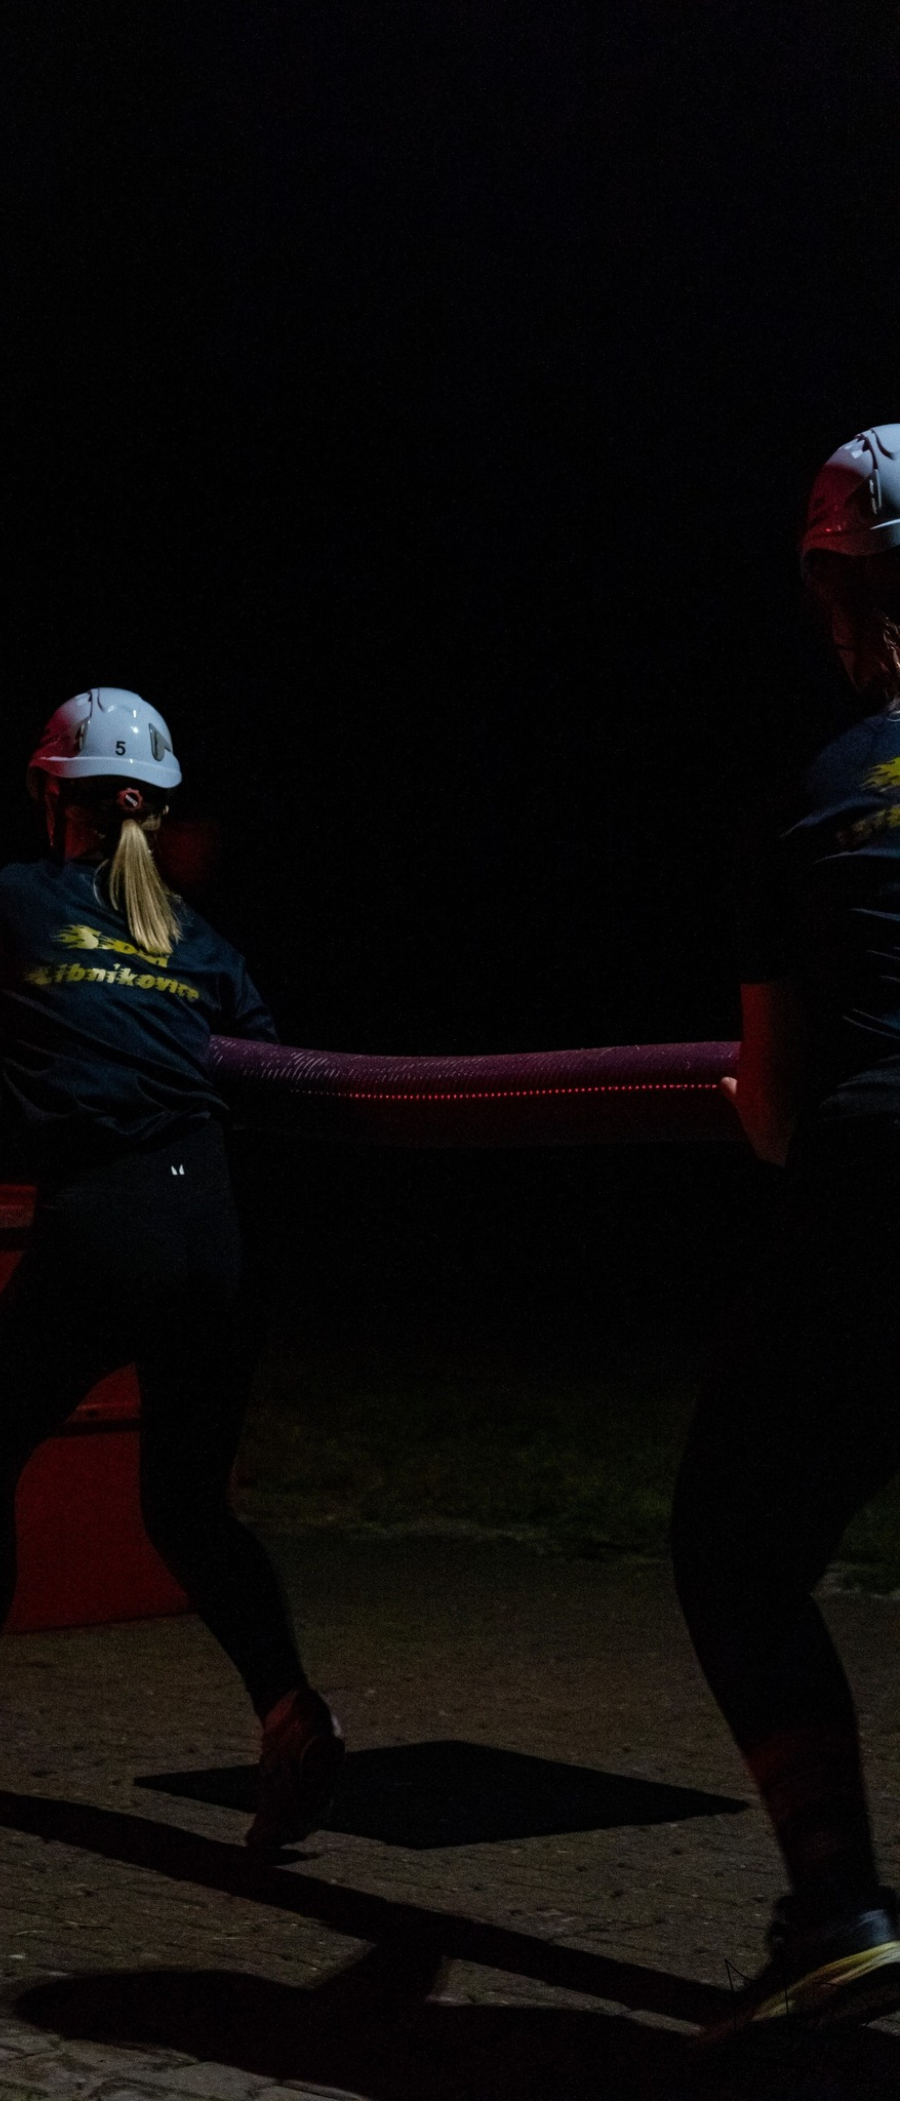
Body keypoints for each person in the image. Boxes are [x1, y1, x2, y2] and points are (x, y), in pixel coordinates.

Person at [0, 686, 344, 1852]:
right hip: (213, 1235)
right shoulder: (204, 943)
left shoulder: (13, 899)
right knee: (185, 1505)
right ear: (153, 809)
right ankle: (292, 1714)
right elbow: (271, 1075)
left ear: (48, 795)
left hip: (102, 1224)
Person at [673, 426, 900, 2042]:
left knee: (735, 1545)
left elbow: (769, 1106)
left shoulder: (807, 798)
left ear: (833, 593)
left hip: (871, 1196)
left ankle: (836, 1901)